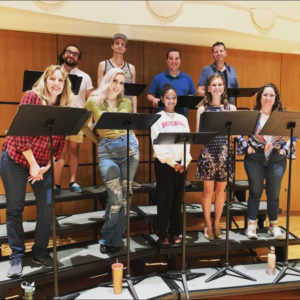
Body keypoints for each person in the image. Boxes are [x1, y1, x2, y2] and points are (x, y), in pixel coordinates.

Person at [0, 65, 73, 277]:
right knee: (15, 207)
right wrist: (33, 164)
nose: (56, 84)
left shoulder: (64, 108)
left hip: (43, 166)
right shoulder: (31, 98)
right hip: (15, 160)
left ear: (64, 85)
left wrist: (47, 166)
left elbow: (59, 144)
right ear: (45, 80)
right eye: (53, 79)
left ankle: (40, 252)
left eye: (61, 81)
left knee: (48, 206)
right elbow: (20, 134)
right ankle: (16, 255)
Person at [83, 68, 140, 254]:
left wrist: (133, 139)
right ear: (108, 80)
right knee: (115, 199)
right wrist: (97, 140)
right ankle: (107, 237)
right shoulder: (93, 101)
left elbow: (126, 126)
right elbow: (83, 125)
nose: (118, 86)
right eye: (115, 81)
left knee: (126, 198)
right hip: (107, 151)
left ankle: (117, 238)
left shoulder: (125, 102)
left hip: (129, 149)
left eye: (122, 83)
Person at [237, 83, 296, 240]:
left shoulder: (282, 115)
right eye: (265, 95)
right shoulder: (252, 115)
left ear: (276, 98)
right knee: (255, 192)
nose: (268, 98)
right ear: (260, 97)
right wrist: (245, 146)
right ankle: (251, 226)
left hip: (277, 159)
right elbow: (236, 131)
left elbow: (295, 134)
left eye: (271, 95)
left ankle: (273, 227)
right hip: (254, 158)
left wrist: (286, 148)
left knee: (274, 194)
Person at [196, 74, 236, 241]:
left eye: (220, 85)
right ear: (209, 88)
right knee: (208, 191)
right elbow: (198, 135)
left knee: (221, 191)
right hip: (209, 153)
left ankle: (217, 222)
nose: (217, 88)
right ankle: (207, 224)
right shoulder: (202, 109)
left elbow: (234, 134)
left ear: (224, 87)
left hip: (225, 154)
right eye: (214, 85)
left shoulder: (231, 109)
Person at [151, 83, 192, 245]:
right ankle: (162, 234)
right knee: (164, 200)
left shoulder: (182, 119)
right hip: (164, 164)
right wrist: (171, 162)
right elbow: (157, 144)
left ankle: (175, 232)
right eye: (168, 98)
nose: (171, 101)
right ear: (162, 99)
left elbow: (187, 141)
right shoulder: (157, 118)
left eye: (174, 98)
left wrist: (184, 162)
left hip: (181, 165)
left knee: (177, 201)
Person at [54, 44, 93, 194]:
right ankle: (56, 184)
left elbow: (91, 100)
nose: (71, 55)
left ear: (78, 58)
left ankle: (72, 181)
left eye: (75, 54)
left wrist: (90, 119)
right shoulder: (55, 73)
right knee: (59, 151)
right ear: (64, 54)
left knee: (74, 151)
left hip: (77, 118)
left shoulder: (85, 76)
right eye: (69, 52)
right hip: (60, 118)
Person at [147, 48, 196, 116]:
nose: (174, 61)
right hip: (162, 119)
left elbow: (192, 95)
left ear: (180, 61)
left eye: (176, 59)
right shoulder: (158, 78)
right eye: (171, 58)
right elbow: (150, 95)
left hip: (181, 118)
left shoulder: (188, 79)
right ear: (167, 61)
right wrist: (153, 99)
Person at [97, 33, 137, 113]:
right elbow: (100, 89)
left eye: (122, 44)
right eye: (117, 43)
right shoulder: (103, 65)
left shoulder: (131, 68)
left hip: (126, 108)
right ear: (112, 46)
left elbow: (134, 94)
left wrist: (135, 111)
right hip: (108, 107)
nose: (119, 46)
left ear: (125, 48)